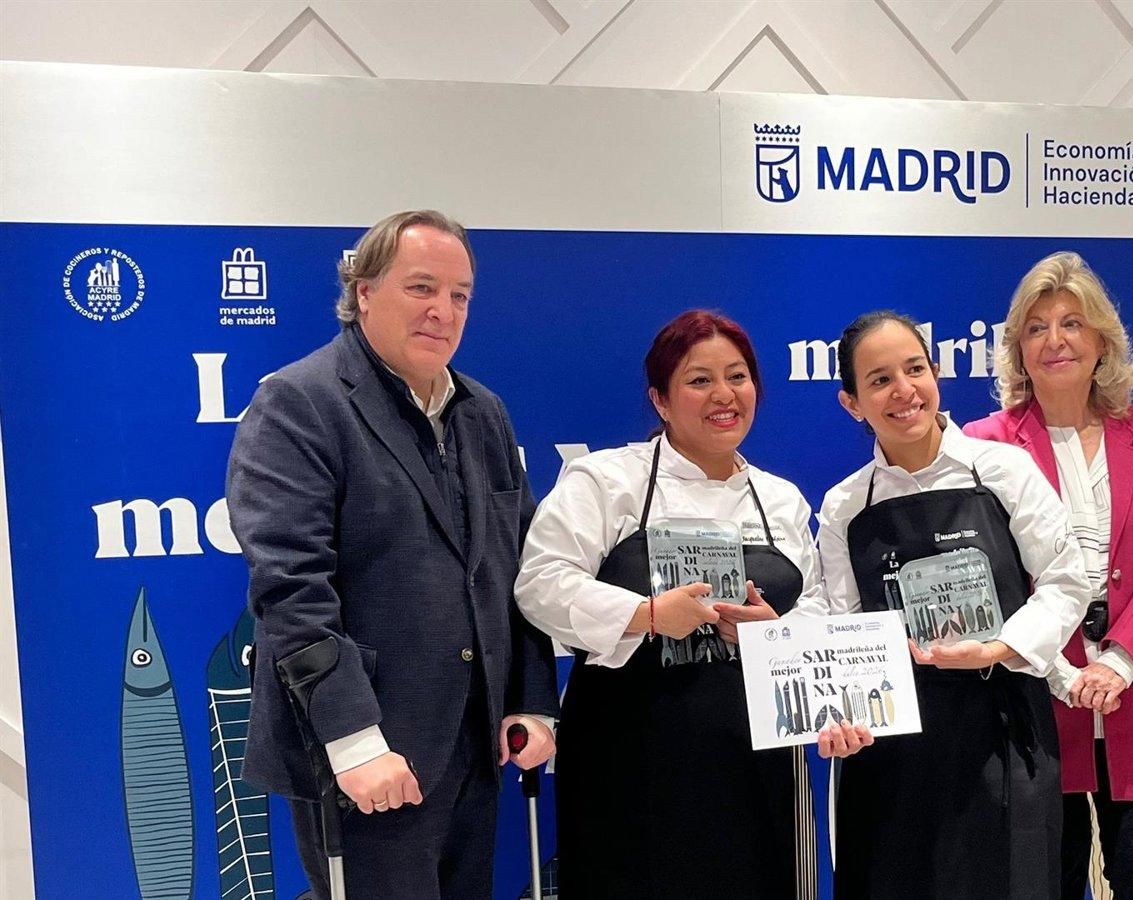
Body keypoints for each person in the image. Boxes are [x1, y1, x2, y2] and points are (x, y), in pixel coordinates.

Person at [228, 210, 560, 900]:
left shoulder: (483, 411)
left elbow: (520, 566)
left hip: (476, 748)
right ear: (365, 292)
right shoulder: (298, 403)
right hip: (366, 759)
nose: (443, 311)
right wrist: (354, 742)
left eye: (460, 294)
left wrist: (532, 701)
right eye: (421, 287)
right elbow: (292, 592)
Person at [514, 309, 871, 900]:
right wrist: (647, 616)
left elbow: (817, 606)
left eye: (738, 376)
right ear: (660, 399)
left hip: (757, 764)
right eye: (699, 380)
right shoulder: (605, 481)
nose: (724, 395)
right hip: (628, 761)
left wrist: (774, 631)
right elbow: (542, 582)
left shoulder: (779, 499)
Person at [816, 310, 1093, 900]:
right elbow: (840, 627)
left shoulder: (1003, 470)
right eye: (879, 379)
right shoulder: (844, 507)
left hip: (1003, 725)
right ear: (852, 403)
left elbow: (1067, 580)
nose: (903, 390)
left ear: (936, 372)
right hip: (892, 748)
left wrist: (999, 647)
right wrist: (839, 713)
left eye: (914, 369)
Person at [965, 252, 1133, 899]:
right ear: (1017, 350)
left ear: (1102, 340)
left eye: (1071, 322)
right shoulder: (985, 444)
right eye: (1035, 328)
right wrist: (1063, 670)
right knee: (1050, 882)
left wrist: (1121, 661)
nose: (1055, 340)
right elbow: (985, 579)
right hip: (1039, 700)